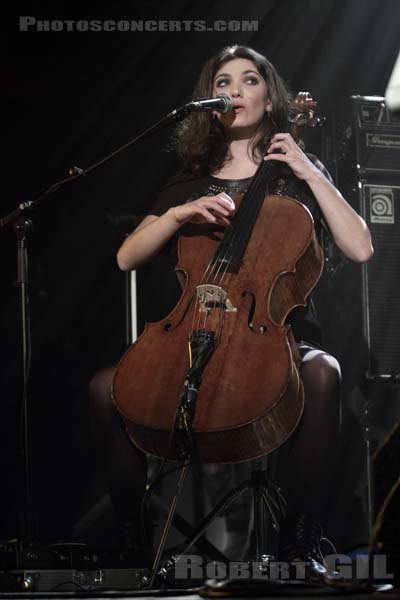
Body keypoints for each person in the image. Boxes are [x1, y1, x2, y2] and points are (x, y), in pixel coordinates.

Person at [90, 45, 374, 575]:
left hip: (274, 340)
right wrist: (179, 212)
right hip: (193, 337)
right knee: (107, 388)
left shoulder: (297, 171)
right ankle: (132, 542)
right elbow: (127, 256)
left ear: (270, 100)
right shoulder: (191, 178)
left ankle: (301, 539)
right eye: (224, 81)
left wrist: (311, 172)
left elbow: (360, 248)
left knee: (322, 373)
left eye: (249, 80)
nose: (235, 90)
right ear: (211, 99)